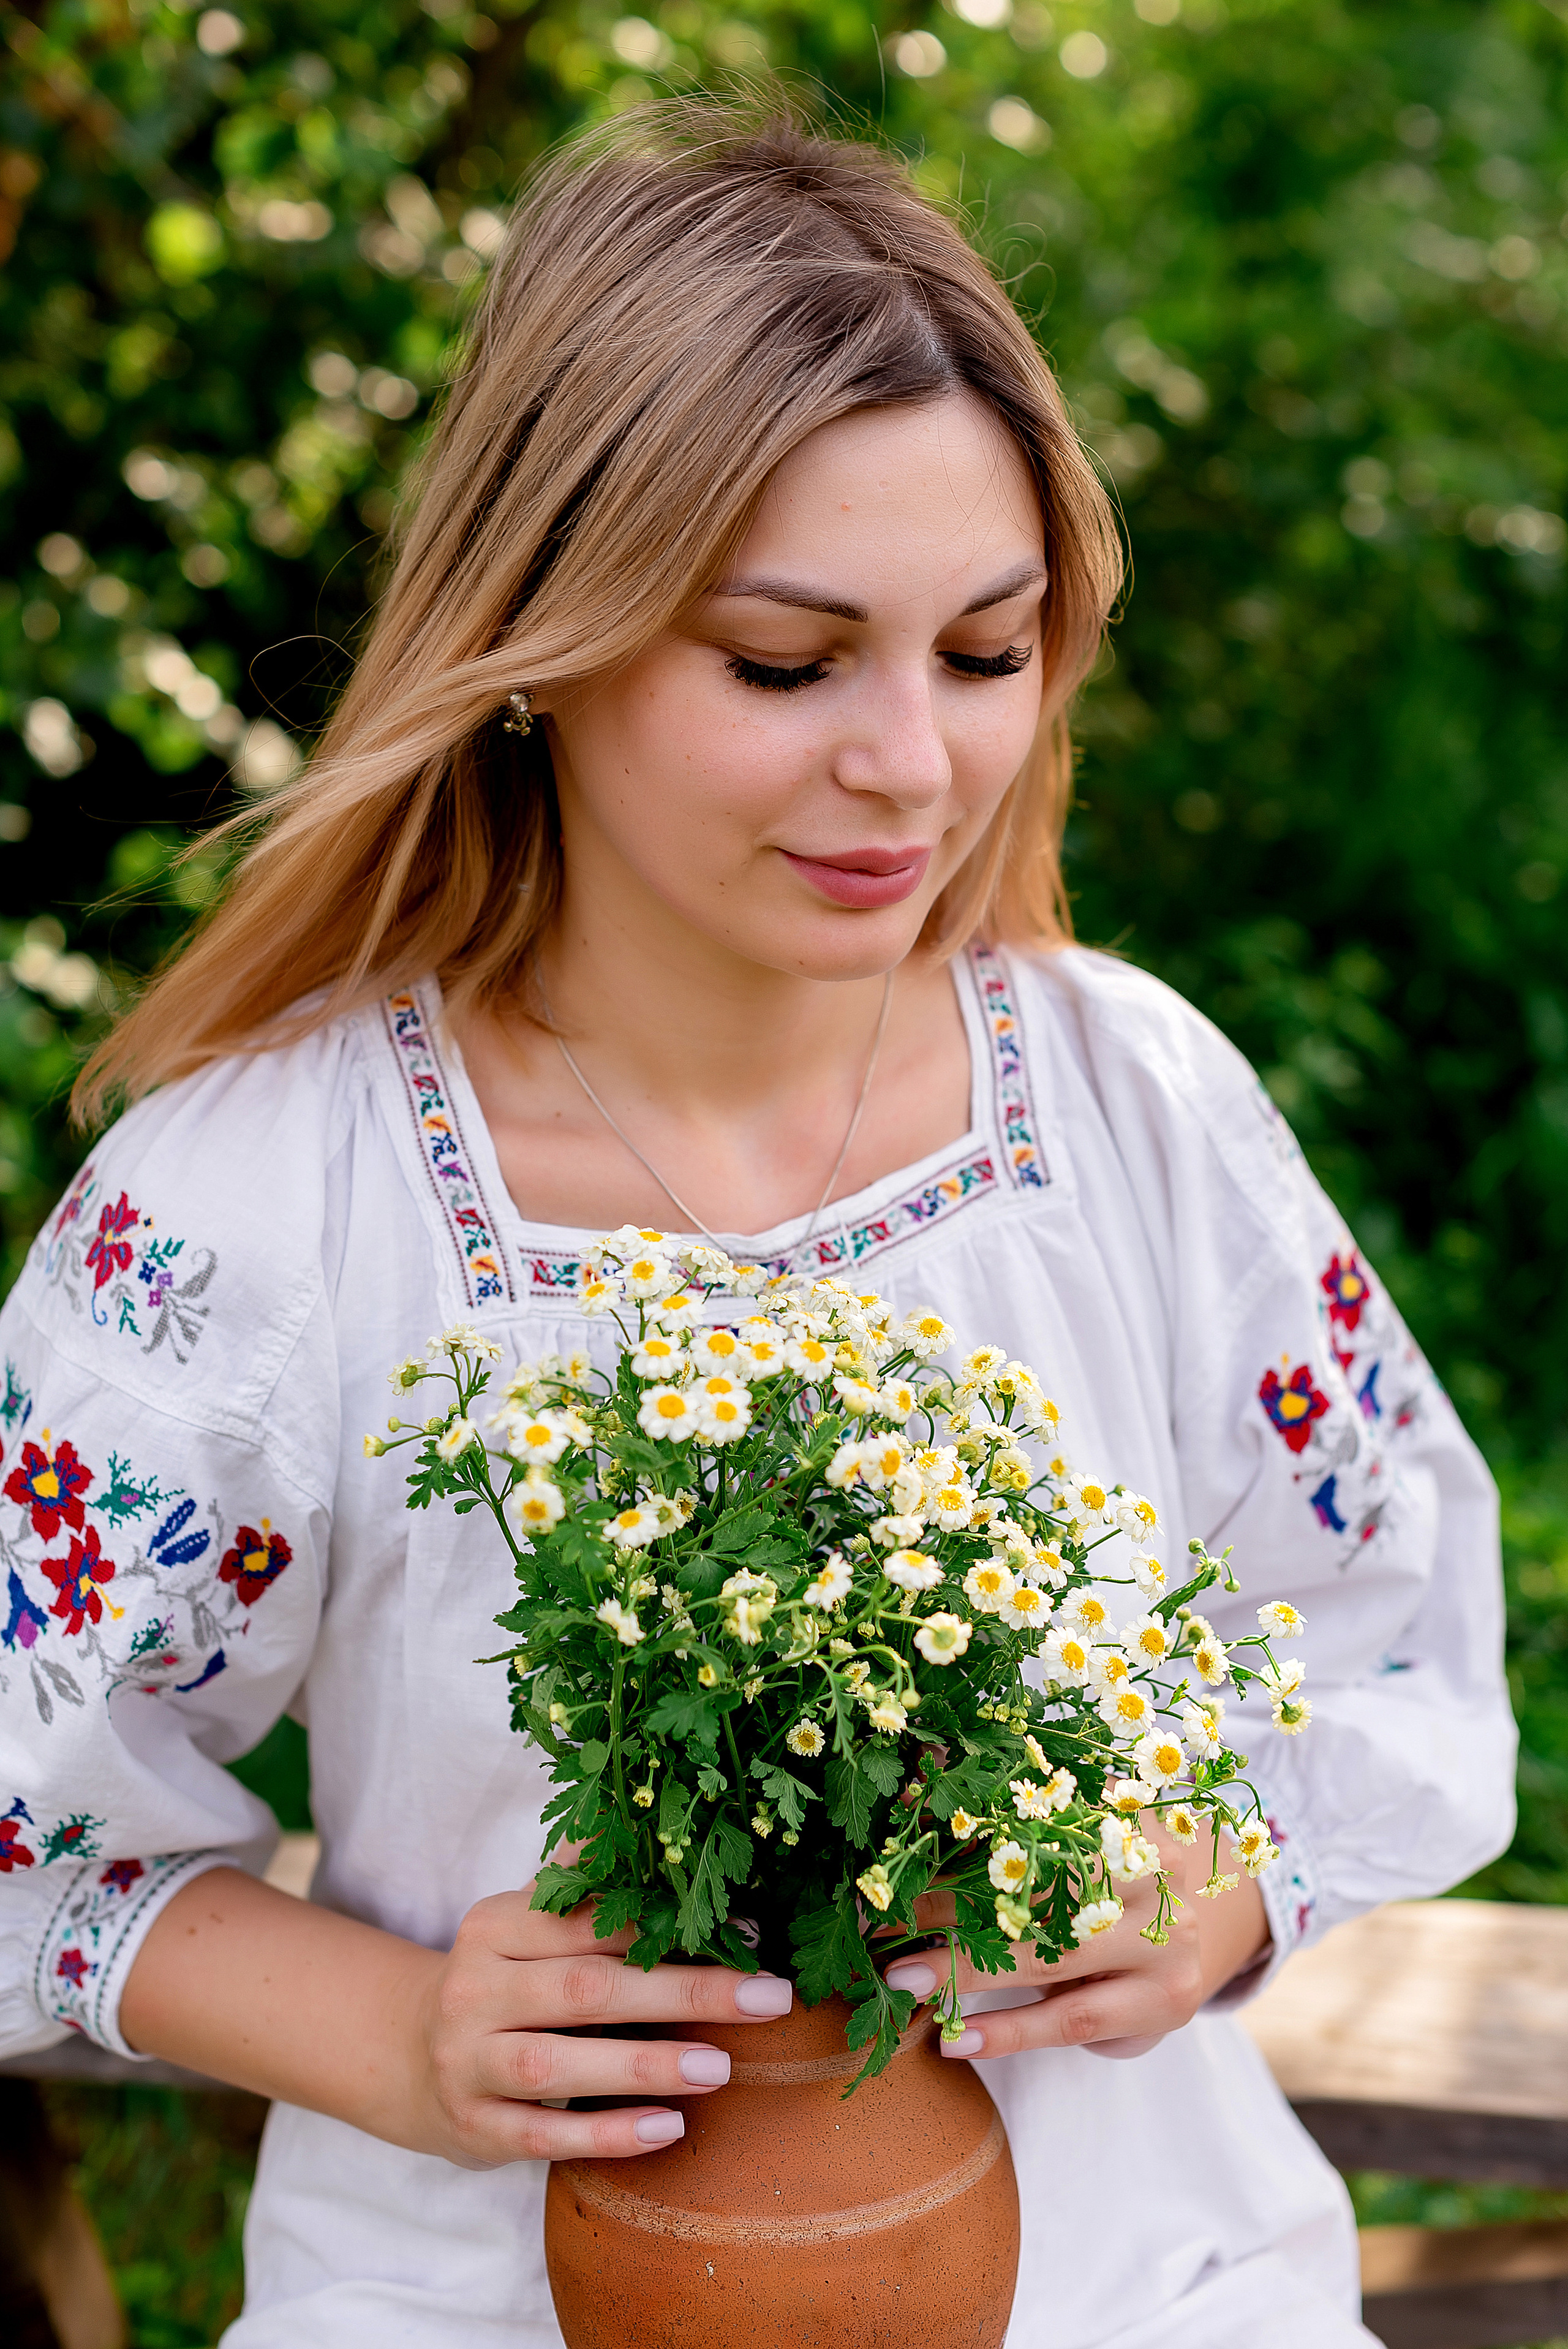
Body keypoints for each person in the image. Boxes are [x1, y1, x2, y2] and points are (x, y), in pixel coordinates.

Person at [0, 100, 1513, 2348]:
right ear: (543, 638)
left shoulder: (1127, 1103)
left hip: (1148, 2289)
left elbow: (1388, 1631)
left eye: (987, 652)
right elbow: (37, 1815)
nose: (911, 763)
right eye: (789, 664)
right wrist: (408, 2032)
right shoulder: (266, 1202)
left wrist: (1223, 1885)